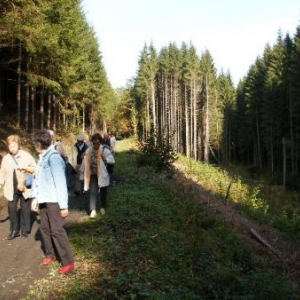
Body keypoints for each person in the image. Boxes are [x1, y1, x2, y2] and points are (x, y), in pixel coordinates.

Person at [31, 129, 74, 275]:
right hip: (43, 199)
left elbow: (60, 183)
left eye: (35, 143)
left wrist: (64, 206)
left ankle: (68, 262)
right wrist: (35, 198)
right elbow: (37, 180)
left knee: (57, 231)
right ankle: (50, 254)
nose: (34, 146)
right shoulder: (42, 157)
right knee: (44, 228)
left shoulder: (54, 158)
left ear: (39, 143)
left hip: (54, 201)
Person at [0, 135, 36, 239]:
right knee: (12, 209)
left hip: (24, 187)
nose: (12, 149)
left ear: (18, 145)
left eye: (14, 146)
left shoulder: (26, 156)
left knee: (25, 208)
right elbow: (2, 173)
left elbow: (35, 168)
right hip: (10, 188)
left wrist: (25, 167)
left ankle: (25, 229)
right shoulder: (6, 158)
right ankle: (15, 230)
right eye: (10, 147)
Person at [81, 133, 114, 218]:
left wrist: (105, 159)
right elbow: (85, 161)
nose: (96, 145)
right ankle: (93, 210)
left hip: (102, 174)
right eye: (94, 143)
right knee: (92, 191)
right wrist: (81, 170)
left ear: (100, 142)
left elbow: (112, 160)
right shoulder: (89, 150)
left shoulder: (104, 150)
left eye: (98, 143)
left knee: (103, 191)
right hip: (92, 174)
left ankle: (102, 207)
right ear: (92, 142)